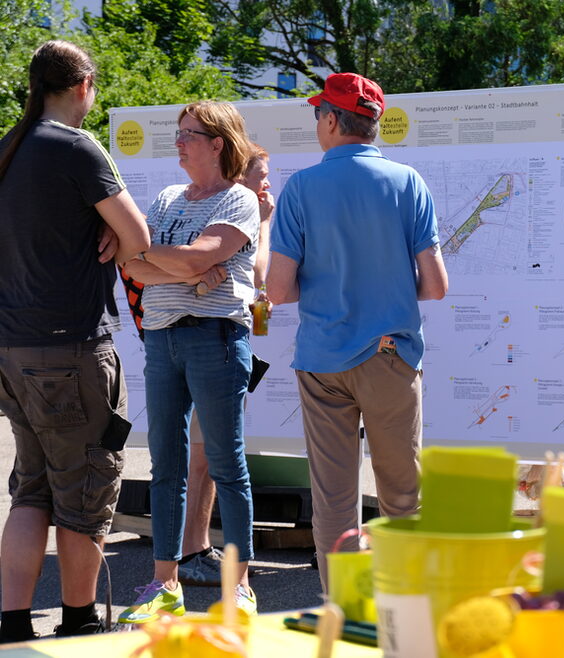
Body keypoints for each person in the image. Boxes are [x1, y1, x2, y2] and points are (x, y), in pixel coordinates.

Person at [267, 72, 448, 590]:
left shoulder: (300, 187)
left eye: (317, 114)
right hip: (392, 355)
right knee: (402, 494)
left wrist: (330, 285)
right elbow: (434, 285)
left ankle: (342, 607)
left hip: (323, 360)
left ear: (330, 120)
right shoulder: (408, 182)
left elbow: (277, 290)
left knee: (334, 498)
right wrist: (383, 284)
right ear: (372, 124)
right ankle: (405, 604)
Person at [0, 40, 150, 640]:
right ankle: (80, 622)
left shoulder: (8, 148)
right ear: (83, 84)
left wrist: (103, 233)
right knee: (86, 487)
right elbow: (137, 237)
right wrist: (116, 239)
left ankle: (12, 621)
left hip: (12, 347)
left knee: (31, 486)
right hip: (71, 346)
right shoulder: (76, 147)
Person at [116, 101, 260, 623]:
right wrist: (195, 276)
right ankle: (164, 584)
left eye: (188, 134)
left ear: (218, 143)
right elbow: (131, 267)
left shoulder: (239, 199)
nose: (177, 142)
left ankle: (239, 585)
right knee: (165, 467)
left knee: (226, 464)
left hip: (215, 339)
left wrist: (190, 264)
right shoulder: (167, 197)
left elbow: (196, 254)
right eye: (177, 133)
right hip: (162, 339)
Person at [178, 144, 275, 586]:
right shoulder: (236, 214)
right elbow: (259, 275)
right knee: (207, 457)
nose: (267, 185)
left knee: (208, 456)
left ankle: (194, 548)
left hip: (211, 346)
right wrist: (267, 220)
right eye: (262, 177)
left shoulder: (228, 215)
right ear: (240, 180)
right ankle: (190, 551)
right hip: (209, 348)